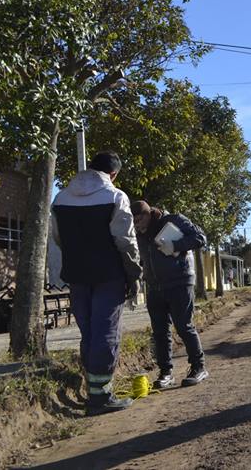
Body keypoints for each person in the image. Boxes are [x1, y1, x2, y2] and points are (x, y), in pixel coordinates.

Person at [51, 151, 141, 414]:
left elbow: (58, 238)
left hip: (76, 275)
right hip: (108, 274)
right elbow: (125, 241)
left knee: (89, 331)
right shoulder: (115, 196)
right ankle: (100, 396)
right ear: (113, 174)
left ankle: (94, 389)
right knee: (106, 331)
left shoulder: (61, 198)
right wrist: (134, 274)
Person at [130, 200, 209, 389]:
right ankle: (166, 372)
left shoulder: (173, 220)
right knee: (159, 332)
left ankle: (198, 367)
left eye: (139, 219)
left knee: (184, 326)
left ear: (149, 214)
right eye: (134, 221)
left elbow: (200, 238)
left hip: (180, 282)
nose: (137, 224)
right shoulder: (139, 234)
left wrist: (175, 245)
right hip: (154, 286)